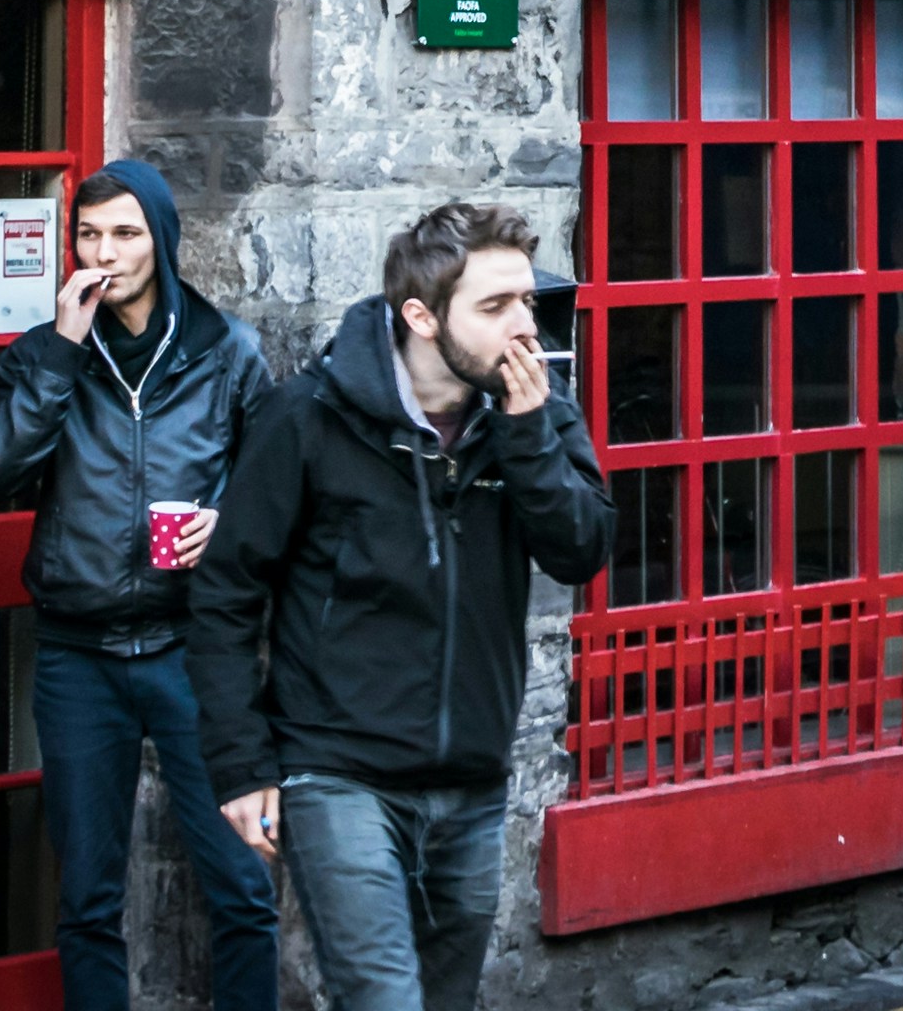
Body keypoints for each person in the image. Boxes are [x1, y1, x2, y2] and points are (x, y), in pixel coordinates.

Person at [189, 201, 612, 1011]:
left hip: (474, 776)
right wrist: (241, 765)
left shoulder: (535, 408)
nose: (524, 325)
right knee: (384, 999)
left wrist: (527, 440)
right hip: (339, 771)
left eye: (526, 300)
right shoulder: (308, 418)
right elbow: (226, 593)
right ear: (421, 315)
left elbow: (581, 551)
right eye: (495, 307)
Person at [0, 161, 279, 1011]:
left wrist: (230, 526)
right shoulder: (40, 355)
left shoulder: (229, 354)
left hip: (195, 654)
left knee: (243, 890)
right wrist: (62, 356)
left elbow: (281, 496)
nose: (105, 252)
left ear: (163, 240)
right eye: (90, 234)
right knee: (88, 901)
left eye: (126, 233)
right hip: (78, 658)